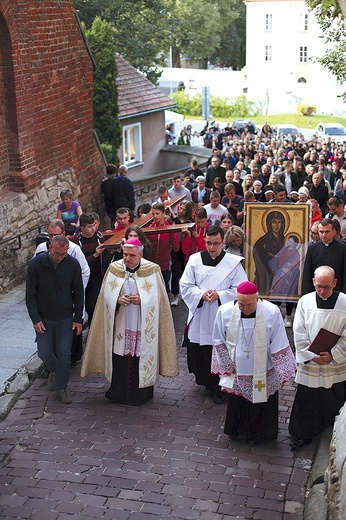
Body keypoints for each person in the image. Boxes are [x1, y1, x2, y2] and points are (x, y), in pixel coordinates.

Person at [80, 238, 179, 405]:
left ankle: (141, 394)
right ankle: (118, 393)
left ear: (140, 254)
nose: (127, 258)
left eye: (131, 255)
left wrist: (143, 300)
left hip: (143, 323)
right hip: (121, 322)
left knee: (141, 355)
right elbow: (105, 296)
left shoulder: (152, 270)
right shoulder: (114, 268)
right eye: (125, 254)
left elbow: (160, 299)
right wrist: (117, 299)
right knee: (120, 355)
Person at [212, 281, 296, 444]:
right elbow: (218, 339)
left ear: (257, 299)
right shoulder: (225, 311)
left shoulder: (272, 312)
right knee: (238, 402)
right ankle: (237, 430)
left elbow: (279, 340)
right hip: (236, 369)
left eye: (249, 305)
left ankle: (261, 434)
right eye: (241, 304)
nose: (245, 308)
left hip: (263, 369)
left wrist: (282, 371)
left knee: (261, 401)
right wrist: (226, 365)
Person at [180, 225, 247, 404]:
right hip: (201, 311)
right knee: (202, 350)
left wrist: (220, 295)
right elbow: (185, 285)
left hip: (222, 314)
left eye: (216, 243)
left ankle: (219, 385)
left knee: (220, 349)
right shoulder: (194, 260)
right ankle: (207, 382)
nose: (211, 247)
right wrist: (201, 295)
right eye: (208, 243)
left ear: (223, 242)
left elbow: (241, 289)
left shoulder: (233, 263)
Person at [289, 266, 346, 449]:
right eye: (319, 286)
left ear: (335, 283)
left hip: (334, 361)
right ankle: (303, 433)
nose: (322, 291)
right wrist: (311, 355)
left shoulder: (344, 302)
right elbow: (298, 331)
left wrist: (333, 354)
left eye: (327, 287)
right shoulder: (305, 301)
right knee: (308, 398)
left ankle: (331, 431)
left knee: (333, 396)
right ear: (313, 282)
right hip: (312, 361)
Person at [26, 235, 84, 404]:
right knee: (43, 351)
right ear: (50, 248)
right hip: (43, 318)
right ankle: (56, 371)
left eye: (64, 254)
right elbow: (30, 295)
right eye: (58, 254)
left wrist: (78, 318)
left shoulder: (72, 264)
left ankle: (62, 387)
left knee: (65, 353)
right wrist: (35, 319)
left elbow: (78, 293)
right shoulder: (37, 264)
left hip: (65, 317)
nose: (60, 257)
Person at [69, 213, 105, 327]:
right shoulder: (76, 241)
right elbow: (78, 263)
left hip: (96, 276)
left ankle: (93, 330)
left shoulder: (99, 237)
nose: (93, 228)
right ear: (82, 228)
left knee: (94, 306)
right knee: (84, 305)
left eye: (94, 225)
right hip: (82, 277)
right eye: (89, 227)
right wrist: (95, 255)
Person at [301, 218, 346, 295]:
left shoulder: (342, 248)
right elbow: (307, 274)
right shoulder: (312, 248)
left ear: (334, 231)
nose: (324, 235)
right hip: (316, 292)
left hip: (337, 292)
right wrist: (305, 294)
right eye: (321, 232)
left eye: (327, 232)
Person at [146, 203, 180, 293]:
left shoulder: (169, 228)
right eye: (153, 214)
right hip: (151, 264)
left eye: (157, 213)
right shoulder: (149, 228)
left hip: (164, 266)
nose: (155, 216)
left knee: (163, 290)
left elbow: (176, 248)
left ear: (163, 213)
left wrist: (172, 234)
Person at [253, 210, 286, 295]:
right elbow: (260, 262)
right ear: (269, 224)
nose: (277, 225)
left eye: (279, 222)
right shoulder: (261, 242)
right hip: (267, 274)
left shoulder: (286, 240)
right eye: (274, 222)